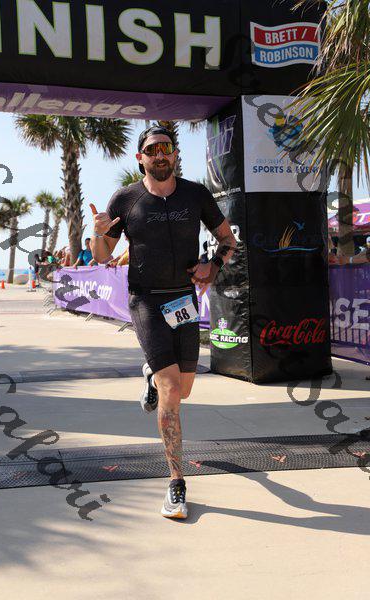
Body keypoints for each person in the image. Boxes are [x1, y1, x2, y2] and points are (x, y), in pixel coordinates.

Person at [90, 125, 236, 520]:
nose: (160, 154)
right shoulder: (126, 199)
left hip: (183, 299)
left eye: (166, 147)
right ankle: (176, 483)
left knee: (182, 390)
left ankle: (151, 374)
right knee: (171, 388)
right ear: (140, 157)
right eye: (152, 149)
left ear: (174, 154)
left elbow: (228, 240)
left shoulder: (195, 194)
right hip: (146, 300)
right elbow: (102, 255)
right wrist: (98, 233)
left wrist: (213, 265)